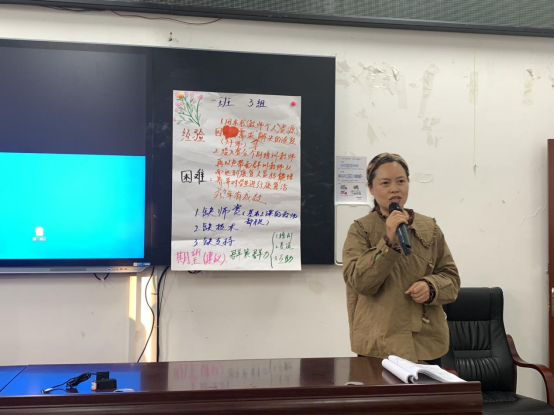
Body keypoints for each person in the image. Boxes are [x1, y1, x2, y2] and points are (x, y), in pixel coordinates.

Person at [342, 153, 460, 364]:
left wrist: (431, 287)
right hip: (378, 344)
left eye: (401, 181)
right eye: (385, 183)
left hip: (426, 343)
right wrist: (388, 242)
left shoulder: (430, 227)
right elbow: (360, 283)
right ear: (371, 188)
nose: (394, 189)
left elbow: (451, 279)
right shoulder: (360, 229)